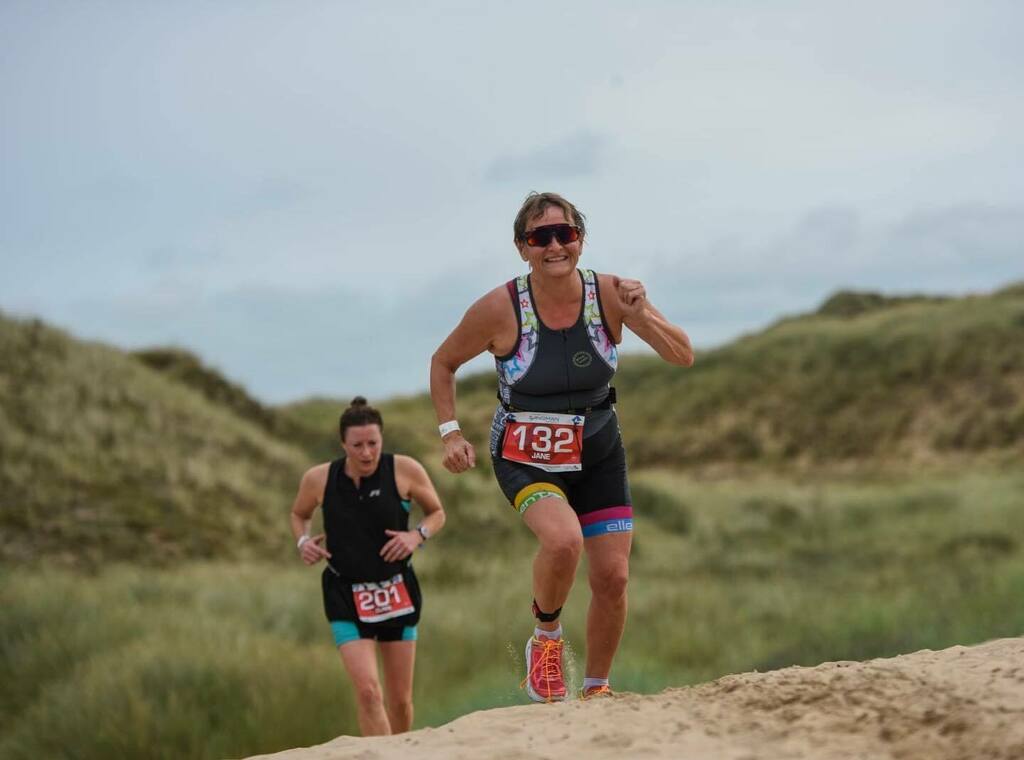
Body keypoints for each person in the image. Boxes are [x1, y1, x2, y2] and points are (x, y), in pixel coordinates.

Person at [429, 192, 693, 702]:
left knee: (613, 578)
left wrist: (645, 317)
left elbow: (681, 355)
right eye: (539, 237)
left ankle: (597, 689)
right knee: (563, 542)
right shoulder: (498, 308)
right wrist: (450, 433)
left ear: (580, 239)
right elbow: (443, 361)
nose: (554, 246)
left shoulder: (613, 294)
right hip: (525, 454)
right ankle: (546, 639)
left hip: (598, 450)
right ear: (522, 248)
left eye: (564, 234)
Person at [289, 396, 446, 735]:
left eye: (373, 443)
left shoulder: (405, 469)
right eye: (357, 445)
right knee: (369, 693)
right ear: (343, 443)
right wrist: (303, 541)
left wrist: (415, 536)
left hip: (396, 590)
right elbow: (299, 514)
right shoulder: (319, 479)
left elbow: (437, 513)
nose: (366, 453)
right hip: (345, 592)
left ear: (382, 440)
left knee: (400, 701)